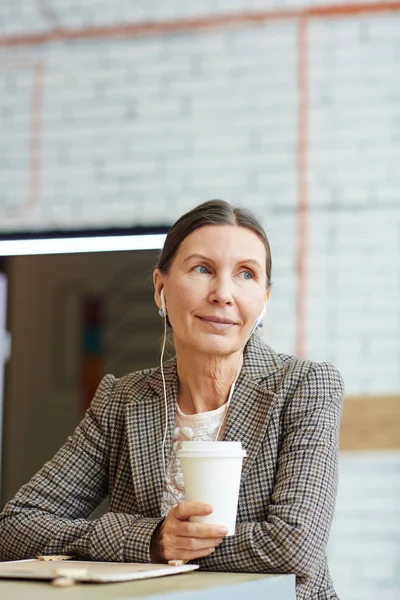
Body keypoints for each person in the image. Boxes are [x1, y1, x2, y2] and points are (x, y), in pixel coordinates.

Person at [0, 200, 344, 599]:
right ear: (161, 288)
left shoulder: (306, 386)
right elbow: (16, 526)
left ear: (263, 300)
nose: (223, 294)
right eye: (203, 269)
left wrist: (182, 546)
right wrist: (152, 539)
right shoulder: (122, 400)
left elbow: (293, 545)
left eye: (246, 274)